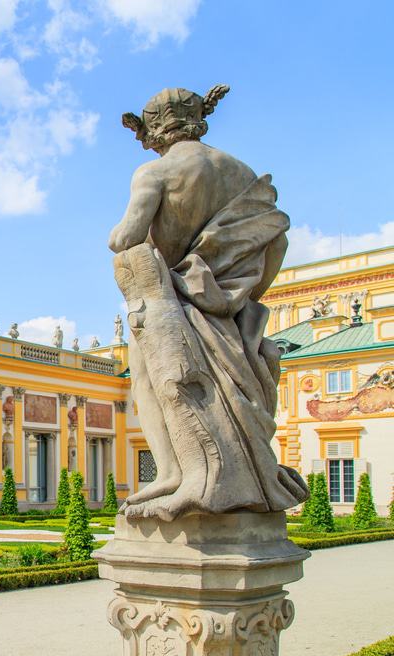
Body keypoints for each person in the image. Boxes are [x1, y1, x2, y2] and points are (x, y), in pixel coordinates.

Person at [110, 85, 307, 520]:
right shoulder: (242, 174)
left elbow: (125, 239)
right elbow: (277, 240)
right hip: (234, 313)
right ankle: (239, 477)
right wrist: (242, 295)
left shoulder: (155, 173)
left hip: (177, 302)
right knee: (239, 389)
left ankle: (172, 474)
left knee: (153, 379)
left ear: (157, 128)